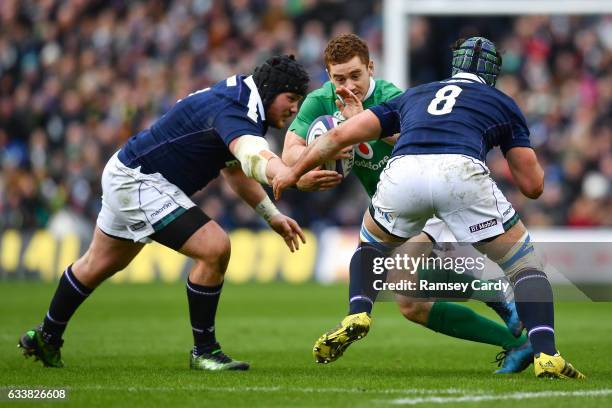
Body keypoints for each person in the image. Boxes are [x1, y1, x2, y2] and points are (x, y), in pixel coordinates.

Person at [273, 37, 585, 379]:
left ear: (370, 68)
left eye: (355, 76)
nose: (349, 85)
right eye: (339, 79)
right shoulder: (321, 101)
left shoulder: (401, 94)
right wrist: (298, 172)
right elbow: (293, 147)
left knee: (391, 265)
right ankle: (528, 340)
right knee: (417, 300)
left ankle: (363, 310)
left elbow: (383, 135)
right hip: (445, 184)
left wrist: (341, 138)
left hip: (409, 193)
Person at [18, 55, 309, 371]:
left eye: (298, 101)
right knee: (214, 247)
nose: (294, 108)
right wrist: (288, 173)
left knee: (97, 263)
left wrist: (272, 215)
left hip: (126, 170)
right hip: (140, 180)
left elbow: (236, 171)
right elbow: (252, 158)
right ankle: (205, 351)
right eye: (291, 99)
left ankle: (46, 337)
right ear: (269, 91)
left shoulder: (240, 95)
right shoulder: (238, 110)